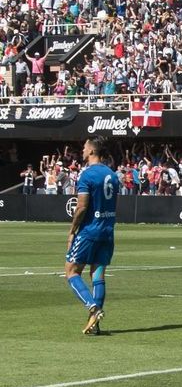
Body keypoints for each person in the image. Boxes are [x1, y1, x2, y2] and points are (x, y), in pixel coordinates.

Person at [65, 136, 119, 335]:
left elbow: (81, 207)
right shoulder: (113, 175)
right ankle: (95, 325)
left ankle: (93, 307)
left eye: (84, 147)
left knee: (71, 272)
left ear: (92, 151)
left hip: (90, 231)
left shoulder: (87, 175)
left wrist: (72, 231)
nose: (82, 150)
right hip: (107, 231)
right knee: (97, 274)